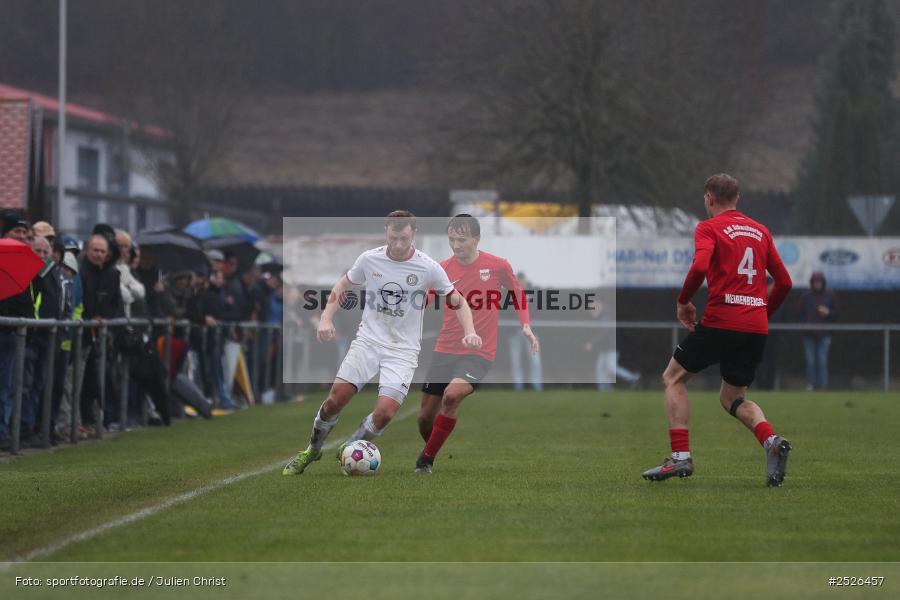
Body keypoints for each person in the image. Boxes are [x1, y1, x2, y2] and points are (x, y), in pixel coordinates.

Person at [282, 210, 483, 476]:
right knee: (334, 401)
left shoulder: (428, 267)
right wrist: (325, 319)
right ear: (386, 232)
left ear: (413, 235)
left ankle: (351, 448)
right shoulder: (369, 259)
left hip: (403, 351)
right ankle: (312, 450)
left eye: (404, 239)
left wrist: (469, 330)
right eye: (394, 238)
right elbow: (342, 287)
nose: (399, 245)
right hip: (368, 342)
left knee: (385, 414)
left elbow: (458, 301)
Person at [641, 174, 794, 487]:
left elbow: (699, 268)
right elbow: (785, 282)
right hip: (754, 327)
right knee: (732, 398)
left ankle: (680, 458)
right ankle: (771, 441)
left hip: (723, 319)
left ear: (709, 198)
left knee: (673, 378)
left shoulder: (708, 228)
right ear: (737, 199)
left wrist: (683, 301)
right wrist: (761, 313)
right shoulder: (760, 231)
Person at [414, 214, 537, 473]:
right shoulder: (443, 268)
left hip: (479, 351)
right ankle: (432, 447)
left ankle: (425, 461)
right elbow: (425, 300)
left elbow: (517, 294)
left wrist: (525, 324)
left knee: (452, 395)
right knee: (425, 418)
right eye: (451, 240)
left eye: (461, 239)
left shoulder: (497, 265)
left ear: (476, 239)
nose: (456, 245)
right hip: (444, 349)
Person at [799, 271, 838, 390]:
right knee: (810, 361)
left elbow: (836, 314)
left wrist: (828, 313)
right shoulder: (806, 296)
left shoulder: (830, 296)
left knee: (822, 360)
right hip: (808, 333)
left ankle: (823, 385)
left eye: (819, 282)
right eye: (815, 282)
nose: (817, 285)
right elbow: (799, 313)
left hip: (825, 333)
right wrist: (805, 323)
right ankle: (810, 384)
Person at [507, 271, 544, 391]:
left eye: (522, 281)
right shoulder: (511, 293)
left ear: (526, 280)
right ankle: (518, 387)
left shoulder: (534, 292)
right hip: (515, 332)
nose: (521, 283)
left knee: (535, 361)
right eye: (518, 281)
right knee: (515, 362)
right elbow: (507, 312)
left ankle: (537, 386)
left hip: (531, 333)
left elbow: (538, 311)